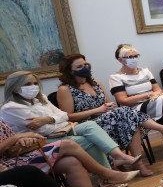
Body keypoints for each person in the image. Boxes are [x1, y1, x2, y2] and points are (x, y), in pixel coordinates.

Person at [57, 54, 163, 176]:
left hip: (106, 119)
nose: (85, 68)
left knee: (130, 121)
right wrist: (96, 110)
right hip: (87, 126)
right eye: (79, 67)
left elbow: (107, 104)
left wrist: (108, 107)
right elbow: (68, 117)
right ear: (70, 71)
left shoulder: (96, 83)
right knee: (125, 113)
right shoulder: (65, 89)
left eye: (85, 64)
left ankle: (137, 162)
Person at [1, 71, 144, 173]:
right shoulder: (11, 108)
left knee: (90, 125)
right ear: (15, 88)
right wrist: (55, 120)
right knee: (88, 139)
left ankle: (118, 157)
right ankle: (108, 174)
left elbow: (64, 115)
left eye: (34, 83)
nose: (33, 86)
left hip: (64, 130)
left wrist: (48, 119)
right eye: (27, 84)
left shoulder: (41, 99)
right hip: (42, 141)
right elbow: (45, 130)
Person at [0, 118, 134, 187]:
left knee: (71, 162)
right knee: (67, 144)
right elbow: (10, 141)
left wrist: (22, 139)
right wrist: (16, 138)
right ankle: (106, 173)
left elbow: (62, 115)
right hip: (8, 166)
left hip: (18, 156)